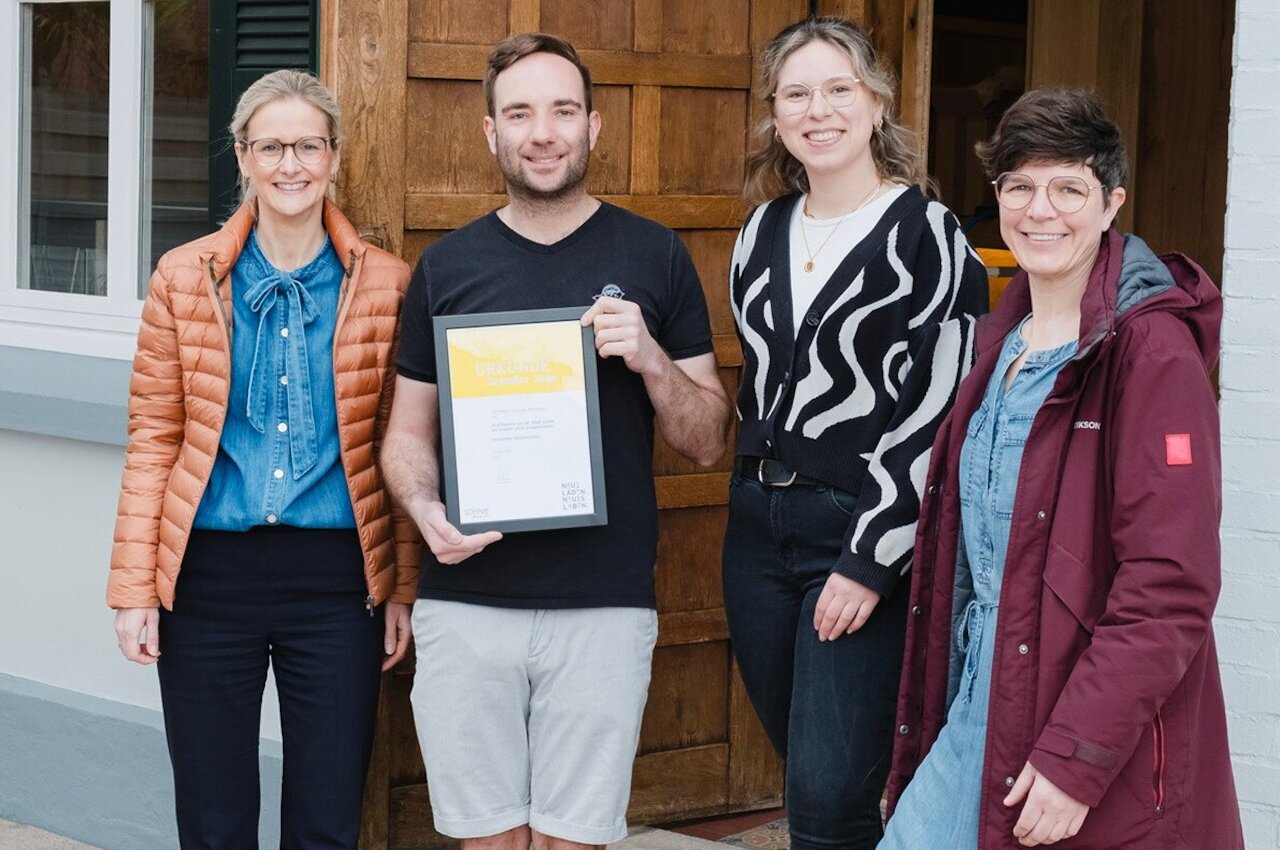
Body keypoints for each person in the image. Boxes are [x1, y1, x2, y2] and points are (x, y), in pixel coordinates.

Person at [380, 33, 732, 850]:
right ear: (490, 133)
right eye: (521, 113)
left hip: (603, 603)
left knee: (575, 840)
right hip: (466, 599)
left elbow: (708, 439)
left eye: (563, 111)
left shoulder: (655, 254)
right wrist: (426, 508)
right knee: (490, 840)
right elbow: (405, 434)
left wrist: (649, 358)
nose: (543, 132)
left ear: (594, 127)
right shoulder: (447, 265)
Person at [881, 88, 1244, 849]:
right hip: (980, 704)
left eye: (1068, 188)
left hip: (1076, 723)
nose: (1040, 209)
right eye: (1019, 187)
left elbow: (1169, 585)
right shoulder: (998, 341)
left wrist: (1078, 757)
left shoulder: (1151, 355)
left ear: (1111, 203)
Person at [107, 69, 420, 849]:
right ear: (242, 156)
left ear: (335, 156)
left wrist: (402, 587)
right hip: (209, 579)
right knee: (214, 819)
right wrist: (135, 585)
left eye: (308, 145)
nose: (291, 165)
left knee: (326, 817)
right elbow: (153, 437)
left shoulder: (385, 283)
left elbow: (404, 445)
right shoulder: (185, 278)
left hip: (337, 582)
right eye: (271, 146)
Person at [722, 16, 989, 850]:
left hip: (859, 531)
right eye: (797, 94)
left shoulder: (928, 234)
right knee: (806, 769)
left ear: (876, 103)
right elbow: (759, 385)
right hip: (756, 533)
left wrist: (871, 559)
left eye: (839, 89)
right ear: (775, 114)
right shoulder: (760, 232)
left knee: (833, 795)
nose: (818, 110)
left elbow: (938, 412)